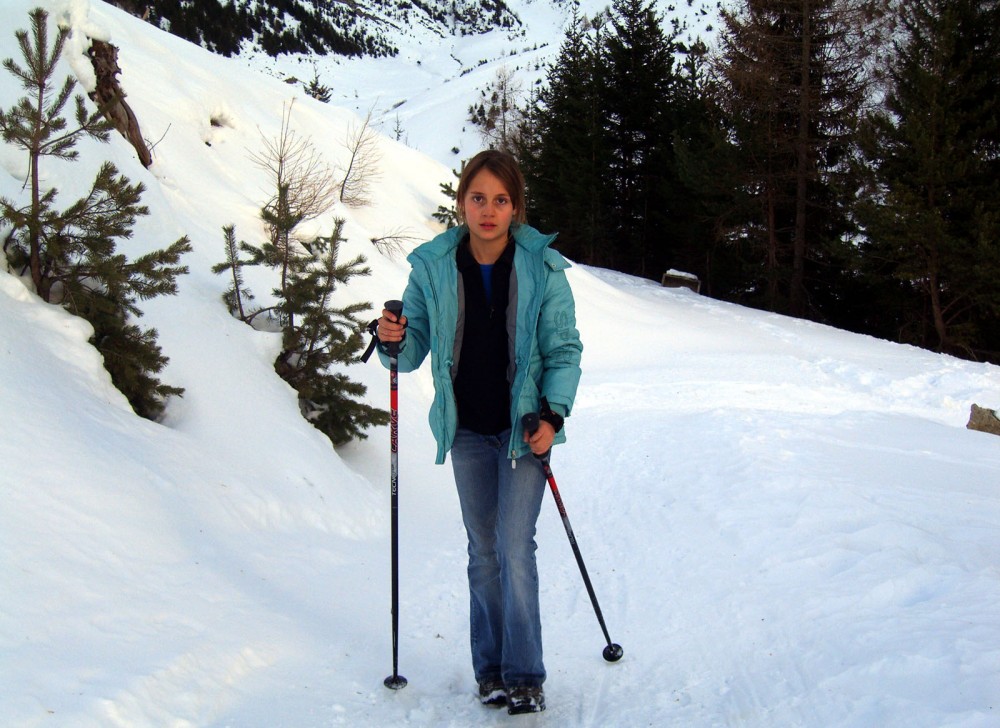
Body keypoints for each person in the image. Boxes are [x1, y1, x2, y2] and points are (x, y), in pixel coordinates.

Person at [375, 149, 583, 715]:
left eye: (500, 199)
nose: (487, 210)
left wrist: (553, 416)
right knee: (483, 551)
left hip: (521, 430)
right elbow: (411, 350)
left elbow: (563, 350)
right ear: (462, 201)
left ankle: (525, 674)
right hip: (466, 429)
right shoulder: (433, 267)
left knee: (515, 547)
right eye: (477, 197)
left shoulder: (543, 267)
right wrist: (392, 337)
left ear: (515, 207)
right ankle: (488, 669)